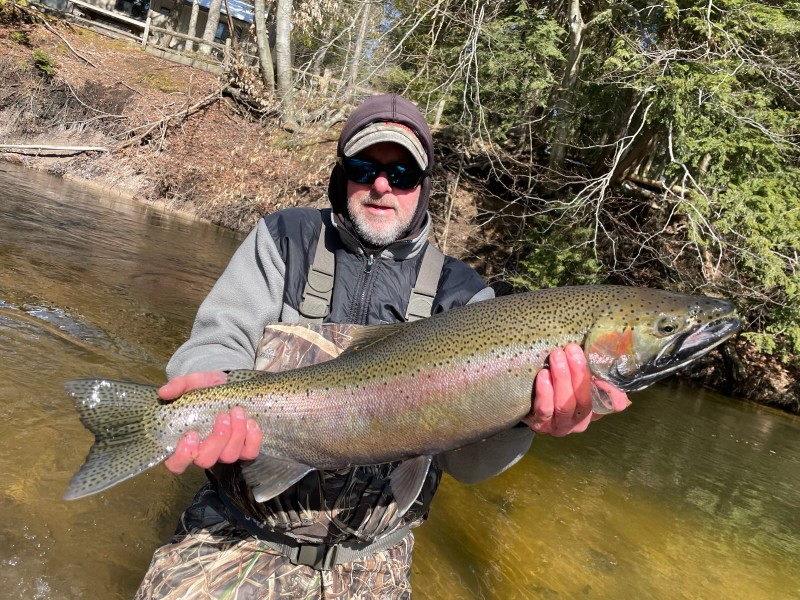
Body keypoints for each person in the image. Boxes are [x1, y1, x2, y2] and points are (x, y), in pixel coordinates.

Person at [135, 94, 629, 599]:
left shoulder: (465, 297)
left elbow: (468, 465)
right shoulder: (285, 239)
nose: (380, 185)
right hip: (236, 532)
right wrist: (211, 387)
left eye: (402, 175)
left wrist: (526, 421)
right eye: (363, 166)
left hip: (373, 560)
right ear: (340, 173)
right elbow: (216, 342)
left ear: (424, 186)